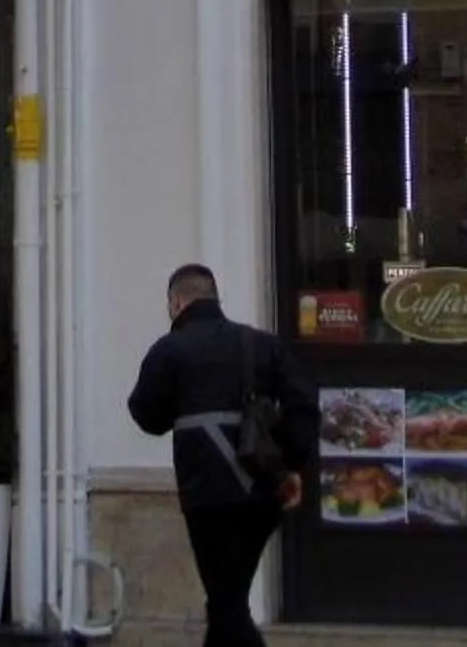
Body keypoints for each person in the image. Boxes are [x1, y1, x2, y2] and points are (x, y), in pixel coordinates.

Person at [127, 265, 311, 647]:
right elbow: (303, 405)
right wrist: (293, 464)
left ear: (177, 303)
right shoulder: (262, 345)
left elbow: (146, 415)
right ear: (214, 298)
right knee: (227, 597)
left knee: (227, 602)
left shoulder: (169, 350)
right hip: (263, 491)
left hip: (206, 494)